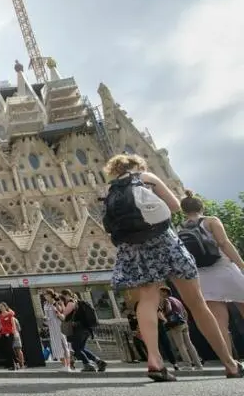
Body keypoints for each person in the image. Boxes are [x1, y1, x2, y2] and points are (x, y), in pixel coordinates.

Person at [102, 153, 243, 381]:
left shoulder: (111, 190)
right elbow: (175, 207)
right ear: (138, 165)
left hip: (135, 249)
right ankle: (230, 363)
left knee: (147, 300)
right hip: (165, 242)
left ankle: (155, 361)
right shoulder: (145, 177)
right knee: (197, 304)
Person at [180, 191, 244, 351]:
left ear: (183, 210)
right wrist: (241, 265)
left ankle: (230, 362)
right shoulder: (211, 221)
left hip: (204, 276)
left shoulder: (179, 227)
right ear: (202, 206)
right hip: (225, 268)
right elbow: (223, 243)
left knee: (220, 322)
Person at [159, 288, 202, 370]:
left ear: (165, 292)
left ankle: (188, 364)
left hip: (175, 325)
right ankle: (198, 365)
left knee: (180, 345)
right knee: (189, 345)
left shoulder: (167, 300)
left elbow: (169, 310)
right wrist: (185, 320)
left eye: (160, 292)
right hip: (183, 323)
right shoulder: (177, 300)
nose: (159, 294)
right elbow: (185, 312)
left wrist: (164, 315)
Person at [42, 289, 72, 372]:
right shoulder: (45, 304)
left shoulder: (57, 302)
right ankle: (64, 365)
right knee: (56, 347)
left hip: (59, 326)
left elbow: (62, 312)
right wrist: (45, 319)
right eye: (44, 295)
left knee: (63, 345)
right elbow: (46, 315)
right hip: (51, 327)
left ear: (50, 295)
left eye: (46, 294)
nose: (45, 296)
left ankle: (68, 366)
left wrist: (55, 305)